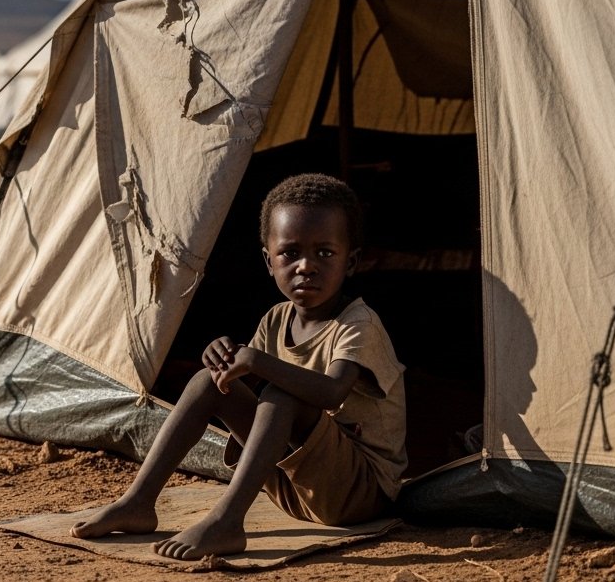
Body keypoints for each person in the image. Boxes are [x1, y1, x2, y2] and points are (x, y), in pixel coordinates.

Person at [70, 173, 406, 560]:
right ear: (268, 260)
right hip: (295, 489)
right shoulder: (277, 318)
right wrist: (226, 358)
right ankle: (138, 502)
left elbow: (330, 392)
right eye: (290, 253)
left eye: (325, 253)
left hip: (360, 495)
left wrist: (257, 360)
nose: (306, 267)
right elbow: (248, 383)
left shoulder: (358, 323)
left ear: (352, 261)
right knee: (208, 381)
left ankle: (228, 521)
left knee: (284, 394)